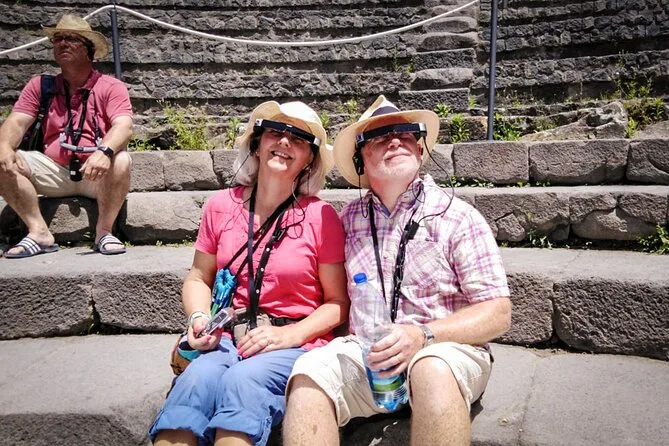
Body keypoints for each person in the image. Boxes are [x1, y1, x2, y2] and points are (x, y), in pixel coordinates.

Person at [283, 95, 512, 446]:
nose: (395, 141)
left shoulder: (459, 217)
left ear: (420, 149)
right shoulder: (346, 221)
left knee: (431, 368)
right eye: (379, 136)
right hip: (369, 356)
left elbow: (498, 312)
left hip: (445, 349)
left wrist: (422, 335)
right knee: (309, 373)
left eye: (406, 133)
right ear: (360, 159)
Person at [150, 100, 349, 446]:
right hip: (228, 335)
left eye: (299, 138)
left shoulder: (322, 217)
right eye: (275, 131)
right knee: (196, 381)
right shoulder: (220, 206)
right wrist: (199, 317)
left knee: (243, 381)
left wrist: (290, 335)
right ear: (257, 144)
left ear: (309, 159)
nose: (284, 141)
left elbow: (337, 303)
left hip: (293, 340)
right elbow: (198, 277)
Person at [0, 14, 133, 258]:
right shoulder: (41, 85)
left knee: (122, 159)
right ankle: (39, 232)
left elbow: (123, 126)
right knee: (1, 156)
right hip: (52, 170)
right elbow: (17, 122)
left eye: (71, 39)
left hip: (97, 173)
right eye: (58, 39)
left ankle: (104, 231)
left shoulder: (111, 86)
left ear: (89, 50)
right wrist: (4, 146)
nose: (62, 43)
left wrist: (104, 152)